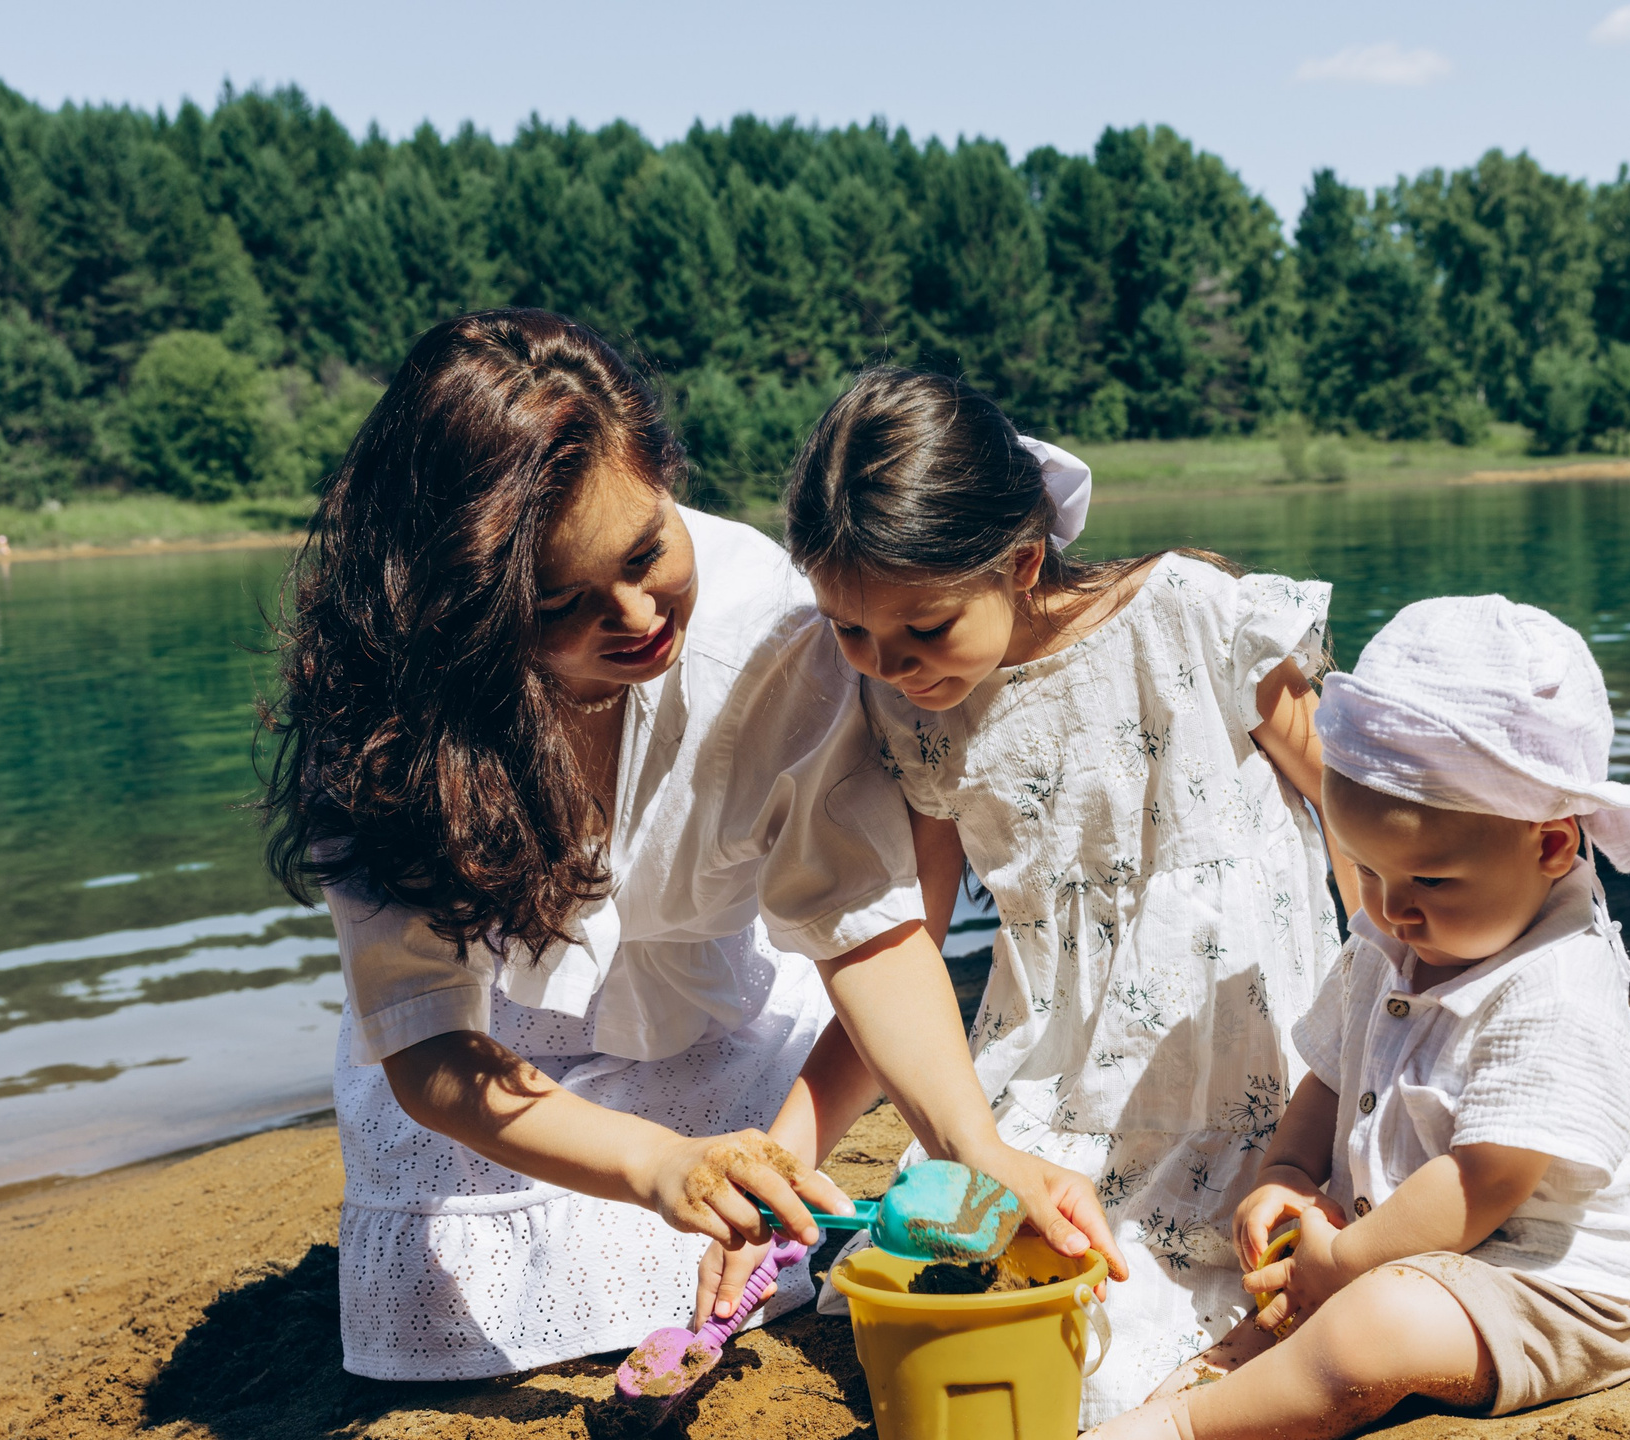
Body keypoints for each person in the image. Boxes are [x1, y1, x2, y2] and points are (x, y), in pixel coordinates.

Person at [260, 313, 1113, 1382]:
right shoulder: (387, 718)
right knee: (439, 1315)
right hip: (494, 1075)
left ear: (666, 477)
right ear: (461, 610)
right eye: (562, 604)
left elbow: (867, 929)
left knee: (741, 1242)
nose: (634, 618)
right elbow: (427, 1048)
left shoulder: (773, 626)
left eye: (646, 552)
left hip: (715, 1021)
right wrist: (658, 1165)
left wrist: (973, 1150)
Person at [747, 367, 1344, 1422]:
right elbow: (901, 941)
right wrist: (788, 1147)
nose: (887, 667)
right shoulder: (913, 714)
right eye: (850, 633)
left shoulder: (1189, 616)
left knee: (1134, 1334)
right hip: (1067, 1059)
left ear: (1020, 563)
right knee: (983, 1271)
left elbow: (1355, 814)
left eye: (923, 630)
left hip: (1244, 1040)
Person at [1068, 595, 1630, 1440]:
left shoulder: (1559, 987)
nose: (1393, 907)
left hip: (1546, 1286)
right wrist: (1285, 1167)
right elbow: (1329, 1072)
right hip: (1402, 1248)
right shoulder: (1397, 935)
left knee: (1368, 1327)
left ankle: (1193, 1431)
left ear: (1550, 844)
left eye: (1430, 878)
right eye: (1372, 869)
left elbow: (1482, 1185)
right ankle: (1234, 1371)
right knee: (1300, 1305)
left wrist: (1350, 1264)